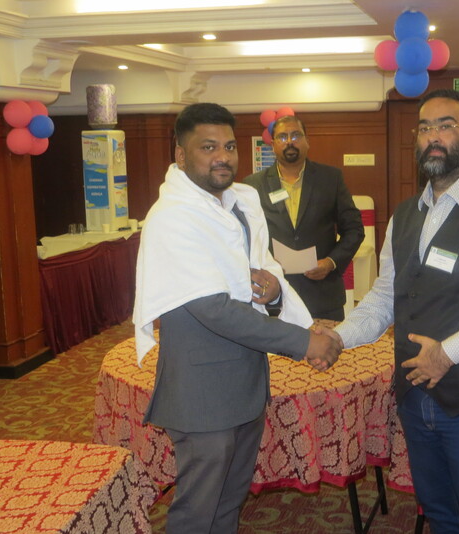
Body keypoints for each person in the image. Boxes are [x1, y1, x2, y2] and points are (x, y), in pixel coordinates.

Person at [331, 89, 459, 533]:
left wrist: (446, 353)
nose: (433, 136)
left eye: (446, 125)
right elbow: (384, 296)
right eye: (425, 128)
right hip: (417, 395)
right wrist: (337, 337)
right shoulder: (405, 215)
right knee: (440, 514)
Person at [133, 103, 341, 534]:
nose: (223, 157)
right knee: (198, 513)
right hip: (203, 394)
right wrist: (305, 342)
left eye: (229, 146)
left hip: (245, 383)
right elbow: (214, 309)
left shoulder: (237, 205)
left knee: (228, 504)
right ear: (181, 155)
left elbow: (257, 270)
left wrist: (275, 290)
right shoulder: (173, 217)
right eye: (208, 147)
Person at [244, 115, 364, 320]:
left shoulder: (331, 179)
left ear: (307, 141)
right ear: (272, 145)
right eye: (282, 137)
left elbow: (354, 229)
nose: (289, 142)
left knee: (326, 342)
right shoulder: (253, 185)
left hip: (322, 295)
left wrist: (331, 262)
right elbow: (246, 237)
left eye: (296, 135)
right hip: (273, 293)